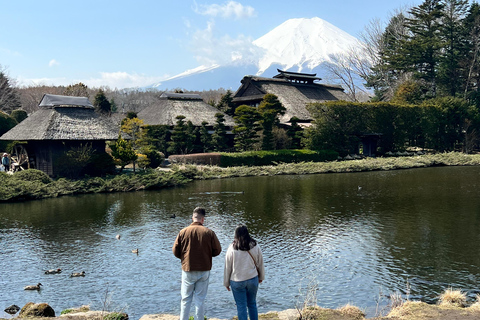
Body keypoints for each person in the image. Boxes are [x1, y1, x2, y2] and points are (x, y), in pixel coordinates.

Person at [172, 207, 222, 320]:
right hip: (204, 269)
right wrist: (208, 256)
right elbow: (218, 250)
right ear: (203, 219)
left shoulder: (183, 232)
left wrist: (184, 258)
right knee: (200, 299)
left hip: (187, 268)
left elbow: (175, 251)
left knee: (185, 299)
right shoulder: (209, 233)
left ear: (192, 218)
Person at [224, 225, 265, 320]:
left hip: (237, 281)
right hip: (252, 279)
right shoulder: (255, 245)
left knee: (241, 306)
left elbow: (227, 267)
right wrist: (261, 277)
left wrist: (226, 282)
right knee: (252, 304)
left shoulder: (232, 248)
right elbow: (260, 262)